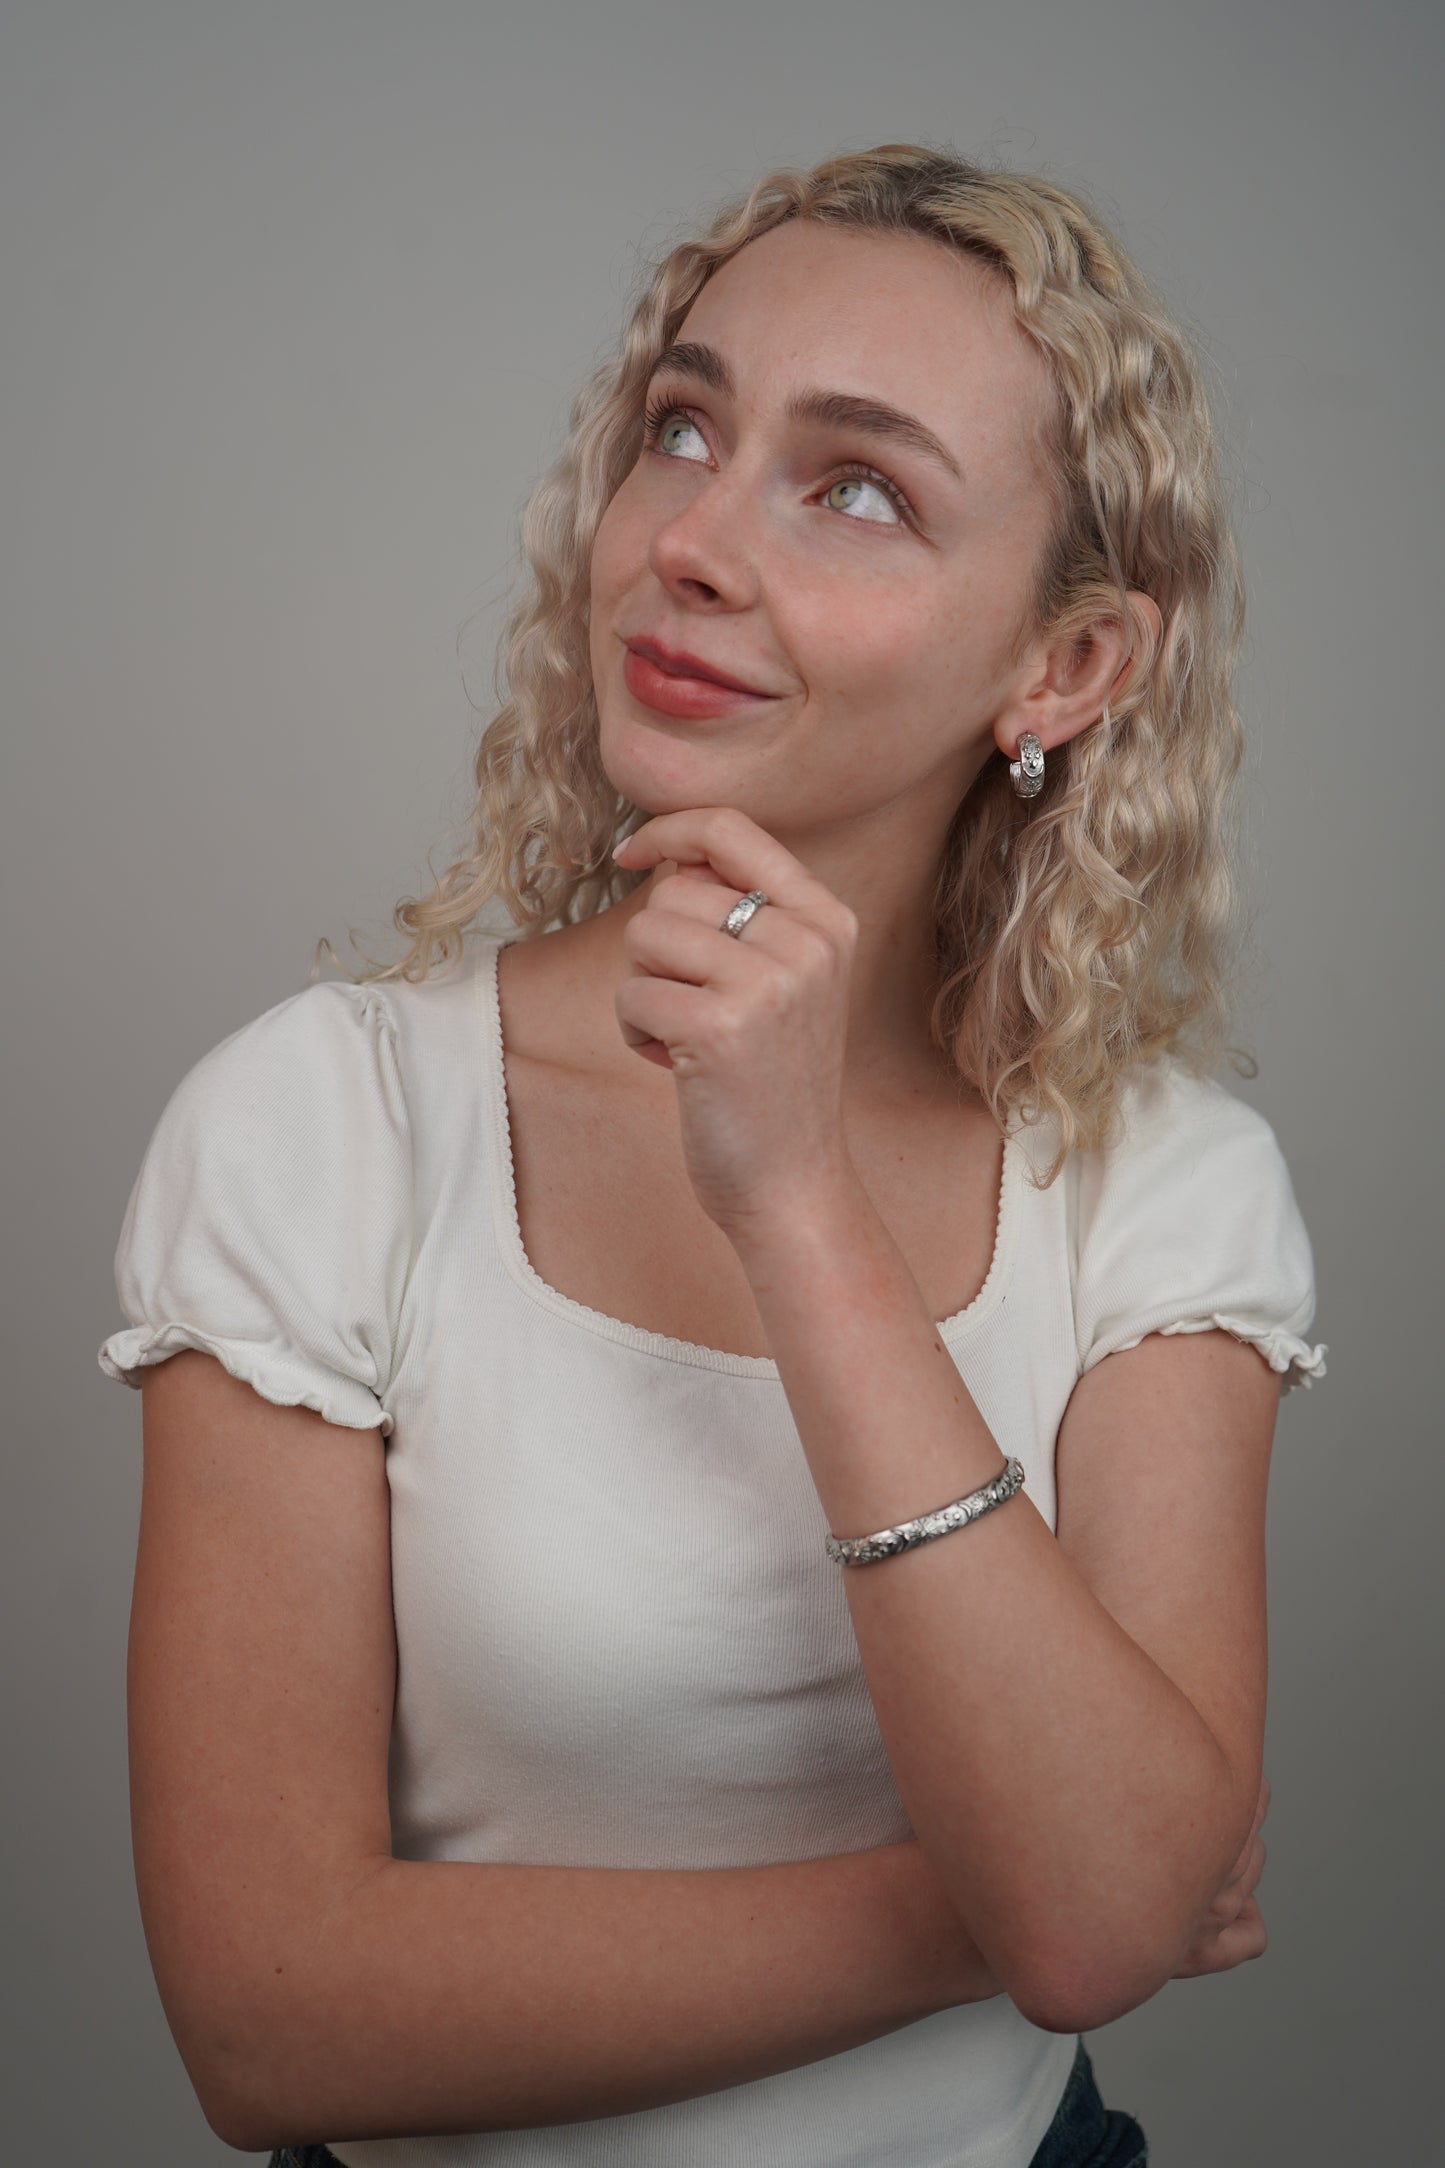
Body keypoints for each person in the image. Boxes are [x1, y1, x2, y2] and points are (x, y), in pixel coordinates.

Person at [98, 143, 1325, 2168]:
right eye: (685, 426)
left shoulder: (1166, 1190)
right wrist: (1000, 1908)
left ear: (1067, 667)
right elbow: (264, 2022)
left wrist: (797, 1202)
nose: (689, 539)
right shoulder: (319, 1124)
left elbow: (1105, 1920)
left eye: (858, 485)